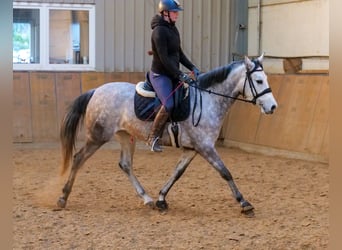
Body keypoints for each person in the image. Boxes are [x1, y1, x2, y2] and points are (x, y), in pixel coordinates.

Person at [147, 0, 200, 152]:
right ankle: (153, 137)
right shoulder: (159, 32)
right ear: (165, 13)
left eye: (177, 12)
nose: (177, 14)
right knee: (168, 104)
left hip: (172, 73)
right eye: (174, 12)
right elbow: (164, 59)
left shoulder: (173, 29)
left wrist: (192, 67)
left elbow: (179, 54)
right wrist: (180, 75)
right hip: (160, 74)